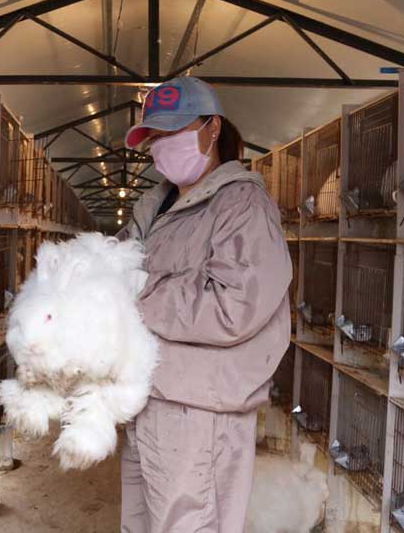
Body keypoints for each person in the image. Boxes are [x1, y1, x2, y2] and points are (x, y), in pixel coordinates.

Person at [117, 76, 292, 533]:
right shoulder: (154, 206)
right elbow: (114, 264)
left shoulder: (241, 203)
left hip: (201, 410)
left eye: (172, 132)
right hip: (149, 395)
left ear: (212, 128)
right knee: (140, 523)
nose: (160, 147)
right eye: (154, 137)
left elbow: (235, 305)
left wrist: (140, 289)